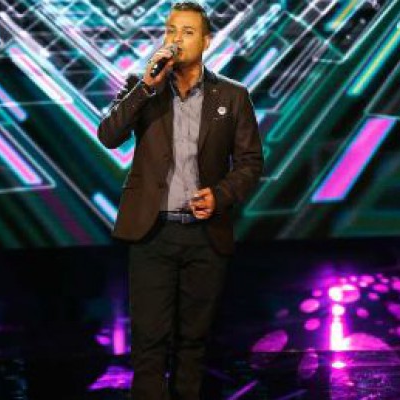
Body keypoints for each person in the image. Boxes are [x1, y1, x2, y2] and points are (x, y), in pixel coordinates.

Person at [97, 1, 263, 399]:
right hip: (152, 234)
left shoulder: (233, 95)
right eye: (171, 31)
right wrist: (145, 88)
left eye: (187, 32)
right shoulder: (142, 87)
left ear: (206, 41)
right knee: (149, 341)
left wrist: (220, 196)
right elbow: (109, 135)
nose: (176, 39)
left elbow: (250, 162)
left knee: (193, 341)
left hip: (205, 235)